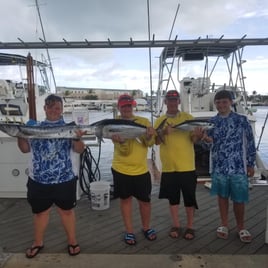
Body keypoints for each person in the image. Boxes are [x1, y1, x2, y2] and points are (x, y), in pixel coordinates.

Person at [17, 94, 85, 258]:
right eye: (50, 107)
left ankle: (72, 241)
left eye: (57, 107)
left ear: (61, 110)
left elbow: (79, 150)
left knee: (66, 212)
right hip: (39, 180)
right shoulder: (34, 127)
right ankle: (38, 242)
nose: (54, 110)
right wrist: (20, 135)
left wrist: (77, 137)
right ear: (45, 108)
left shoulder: (70, 127)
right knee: (40, 213)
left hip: (65, 179)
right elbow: (25, 149)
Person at [202, 89, 256, 243]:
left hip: (239, 166)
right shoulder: (212, 122)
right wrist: (205, 140)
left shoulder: (242, 120)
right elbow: (207, 147)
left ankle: (241, 227)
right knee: (222, 196)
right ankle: (224, 224)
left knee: (239, 199)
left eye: (224, 102)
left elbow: (250, 143)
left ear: (231, 102)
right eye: (218, 102)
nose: (221, 105)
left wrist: (250, 163)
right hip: (219, 166)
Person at [154, 90, 203, 240]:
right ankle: (176, 224)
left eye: (175, 100)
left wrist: (199, 136)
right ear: (165, 102)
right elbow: (156, 141)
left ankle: (190, 226)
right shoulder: (160, 120)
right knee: (173, 199)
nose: (172, 103)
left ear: (179, 102)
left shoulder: (188, 118)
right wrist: (163, 133)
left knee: (189, 198)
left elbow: (194, 140)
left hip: (187, 166)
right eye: (170, 100)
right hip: (169, 167)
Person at [111, 94, 157, 245]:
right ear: (119, 107)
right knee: (126, 201)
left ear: (133, 106)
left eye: (129, 106)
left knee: (145, 201)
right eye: (123, 106)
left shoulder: (143, 122)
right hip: (121, 169)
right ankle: (129, 231)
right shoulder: (114, 123)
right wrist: (122, 141)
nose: (126, 109)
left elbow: (148, 144)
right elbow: (123, 151)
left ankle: (146, 227)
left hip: (141, 170)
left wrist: (150, 136)